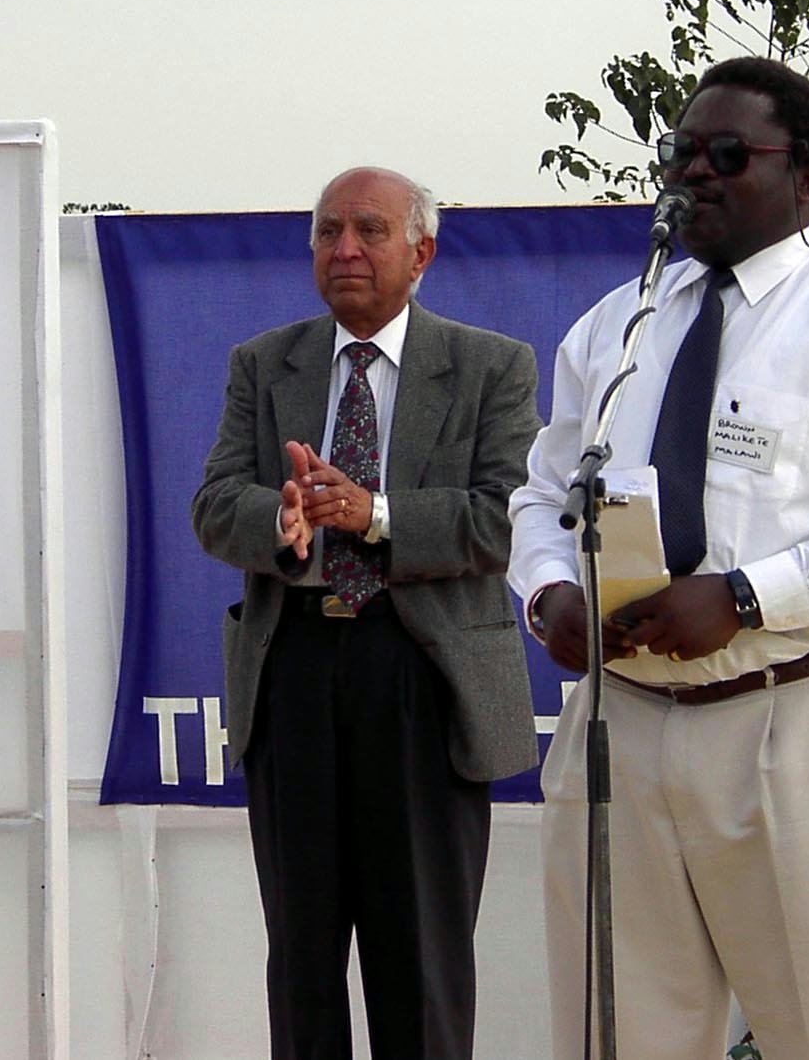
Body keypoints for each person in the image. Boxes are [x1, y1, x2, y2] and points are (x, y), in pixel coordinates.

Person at [509, 56, 809, 1060]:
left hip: (790, 714)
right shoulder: (618, 322)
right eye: (680, 152)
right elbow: (543, 493)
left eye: (727, 154)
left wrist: (746, 596)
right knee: (616, 1033)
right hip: (620, 721)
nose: (694, 172)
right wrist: (549, 593)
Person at [192, 166, 541, 1059]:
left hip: (423, 674)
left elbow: (505, 517)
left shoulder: (490, 365)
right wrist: (283, 518)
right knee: (302, 962)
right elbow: (215, 502)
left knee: (420, 959)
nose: (344, 249)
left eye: (369, 231)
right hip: (295, 671)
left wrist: (373, 513)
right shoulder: (264, 363)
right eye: (327, 231)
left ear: (422, 252)